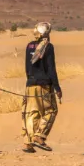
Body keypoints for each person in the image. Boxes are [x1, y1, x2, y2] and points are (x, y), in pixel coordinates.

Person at [21, 22, 61, 152]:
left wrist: (30, 81)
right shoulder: (48, 47)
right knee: (51, 110)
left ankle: (28, 142)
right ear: (47, 33)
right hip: (44, 85)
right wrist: (57, 88)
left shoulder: (29, 46)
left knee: (31, 113)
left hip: (30, 84)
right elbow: (51, 69)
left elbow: (27, 67)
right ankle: (39, 136)